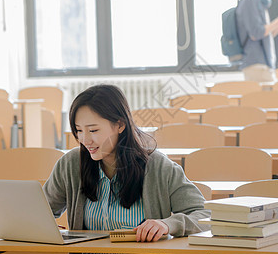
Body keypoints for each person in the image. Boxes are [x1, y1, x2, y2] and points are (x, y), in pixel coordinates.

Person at [43, 84, 210, 245]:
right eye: (79, 130)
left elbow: (206, 216)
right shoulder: (70, 164)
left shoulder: (159, 167)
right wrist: (42, 227)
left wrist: (168, 224)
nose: (84, 140)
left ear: (120, 125)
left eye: (93, 130)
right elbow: (39, 213)